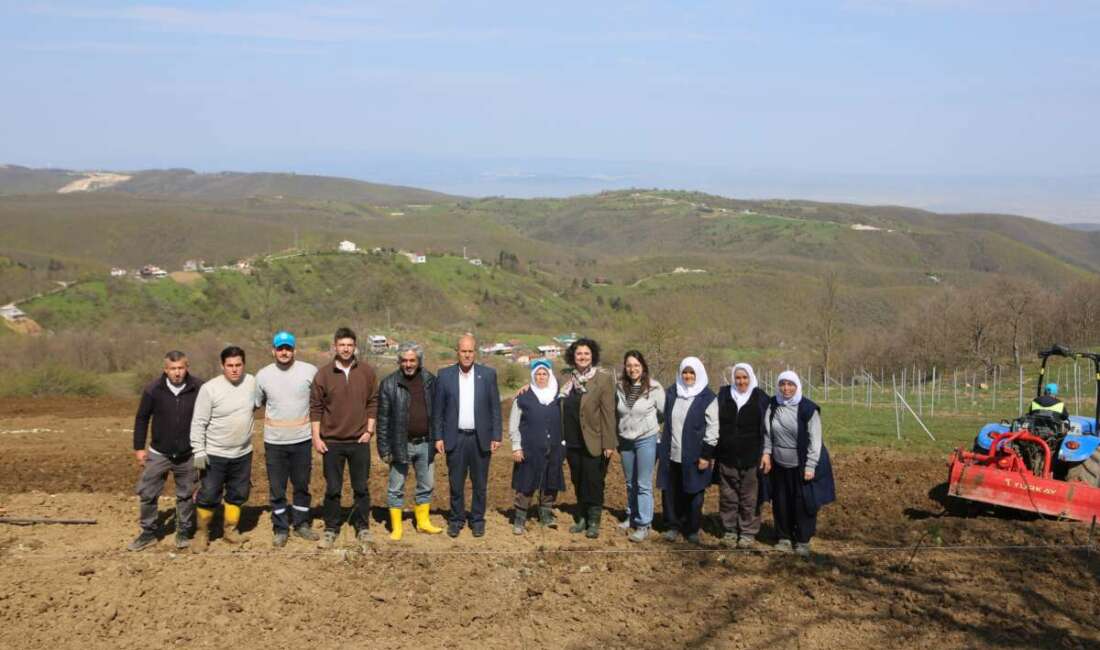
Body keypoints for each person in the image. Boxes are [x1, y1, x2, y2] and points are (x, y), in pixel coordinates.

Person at [309, 327, 380, 550]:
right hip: (332, 441)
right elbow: (316, 407)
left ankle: (363, 527)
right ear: (335, 347)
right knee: (333, 488)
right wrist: (316, 437)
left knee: (361, 486)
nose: (346, 349)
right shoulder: (323, 374)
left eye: (349, 345)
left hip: (359, 440)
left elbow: (373, 402)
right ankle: (331, 529)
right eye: (342, 345)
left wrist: (369, 431)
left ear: (355, 347)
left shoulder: (367, 372)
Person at [128, 351, 204, 551]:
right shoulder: (153, 389)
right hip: (159, 452)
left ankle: (183, 531)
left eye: (180, 368)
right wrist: (138, 448)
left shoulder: (199, 388)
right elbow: (142, 418)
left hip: (188, 453)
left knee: (186, 494)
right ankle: (148, 532)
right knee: (147, 493)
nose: (177, 373)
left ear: (187, 367)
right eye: (173, 369)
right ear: (165, 370)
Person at [432, 334, 502, 538]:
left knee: (480, 484)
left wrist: (496, 435)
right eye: (463, 351)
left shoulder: (488, 375)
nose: (467, 355)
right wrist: (438, 437)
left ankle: (478, 520)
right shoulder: (444, 375)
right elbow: (438, 410)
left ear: (475, 352)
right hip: (455, 437)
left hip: (480, 438)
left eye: (470, 351)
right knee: (456, 484)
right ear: (457, 352)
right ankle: (456, 519)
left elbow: (495, 408)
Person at [254, 331, 320, 548]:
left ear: (294, 350)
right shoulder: (262, 376)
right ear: (273, 350)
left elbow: (320, 401)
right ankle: (281, 528)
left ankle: (301, 524)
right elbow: (256, 403)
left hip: (302, 439)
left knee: (301, 485)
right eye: (280, 348)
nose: (284, 352)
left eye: (288, 348)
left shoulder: (309, 371)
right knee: (277, 488)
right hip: (275, 442)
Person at [761, 370, 836, 557]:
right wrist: (766, 453)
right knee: (781, 502)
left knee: (803, 503)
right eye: (783, 384)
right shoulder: (772, 405)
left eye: (790, 384)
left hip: (801, 464)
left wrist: (811, 465)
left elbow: (815, 440)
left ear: (797, 386)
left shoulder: (807, 409)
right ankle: (784, 537)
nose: (786, 388)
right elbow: (768, 433)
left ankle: (802, 541)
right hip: (779, 464)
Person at [190, 346, 258, 552]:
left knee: (238, 494)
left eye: (238, 365)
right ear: (222, 366)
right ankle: (201, 534)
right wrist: (198, 451)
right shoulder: (209, 389)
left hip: (243, 452)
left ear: (244, 365)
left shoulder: (252, 382)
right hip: (215, 453)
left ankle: (230, 530)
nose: (234, 369)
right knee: (209, 495)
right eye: (230, 366)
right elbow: (199, 422)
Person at [377, 342, 443, 541]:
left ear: (419, 361)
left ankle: (423, 522)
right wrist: (384, 448)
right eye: (404, 360)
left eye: (412, 360)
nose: (408, 364)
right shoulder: (389, 384)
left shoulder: (430, 381)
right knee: (396, 487)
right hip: (400, 444)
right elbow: (383, 419)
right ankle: (396, 527)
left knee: (426, 484)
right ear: (399, 362)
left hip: (426, 443)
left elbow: (438, 413)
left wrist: (438, 438)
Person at [559, 337, 616, 539]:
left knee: (593, 481)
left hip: (595, 440)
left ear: (592, 356)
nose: (582, 357)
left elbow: (609, 412)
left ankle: (593, 520)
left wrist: (609, 443)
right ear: (573, 357)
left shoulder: (603, 379)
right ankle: (581, 517)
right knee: (578, 479)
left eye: (586, 354)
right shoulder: (567, 381)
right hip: (572, 440)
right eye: (579, 354)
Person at [656, 357, 718, 545]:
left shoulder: (708, 397)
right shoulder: (672, 392)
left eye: (692, 373)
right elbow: (661, 417)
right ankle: (672, 525)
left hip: (695, 454)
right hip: (672, 452)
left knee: (694, 492)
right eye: (685, 372)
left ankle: (692, 529)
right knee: (671, 491)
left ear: (698, 374)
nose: (688, 376)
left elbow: (713, 428)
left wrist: (706, 455)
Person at [714, 363, 769, 548]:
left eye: (744, 377)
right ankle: (729, 530)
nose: (741, 381)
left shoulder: (760, 398)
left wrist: (766, 453)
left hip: (752, 457)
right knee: (728, 495)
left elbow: (767, 429)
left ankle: (747, 532)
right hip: (727, 455)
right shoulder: (723, 395)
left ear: (751, 378)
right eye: (738, 377)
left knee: (749, 497)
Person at [509, 358, 565, 535]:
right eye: (538, 374)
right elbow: (513, 424)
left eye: (544, 374)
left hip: (554, 447)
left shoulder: (559, 396)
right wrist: (516, 447)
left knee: (550, 480)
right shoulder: (523, 397)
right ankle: (520, 517)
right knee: (526, 482)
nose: (541, 377)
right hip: (530, 449)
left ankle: (546, 514)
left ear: (550, 376)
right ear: (533, 376)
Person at [615, 350, 665, 543]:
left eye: (636, 365)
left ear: (643, 366)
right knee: (629, 482)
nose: (632, 369)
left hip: (646, 439)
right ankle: (631, 515)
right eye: (629, 365)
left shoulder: (654, 388)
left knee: (643, 483)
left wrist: (648, 426)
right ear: (625, 367)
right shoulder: (620, 386)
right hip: (625, 439)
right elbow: (618, 412)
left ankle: (644, 524)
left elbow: (662, 412)